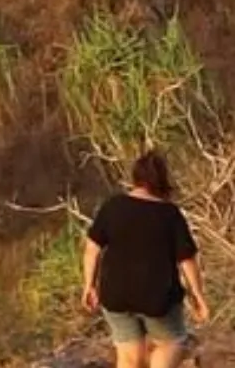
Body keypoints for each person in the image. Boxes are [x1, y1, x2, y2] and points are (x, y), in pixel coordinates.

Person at [83, 150, 209, 367]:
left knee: (130, 358)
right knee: (170, 344)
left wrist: (89, 285)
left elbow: (92, 249)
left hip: (116, 295)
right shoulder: (169, 214)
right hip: (157, 298)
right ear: (162, 181)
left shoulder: (113, 206)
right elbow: (187, 260)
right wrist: (198, 296)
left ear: (135, 177)